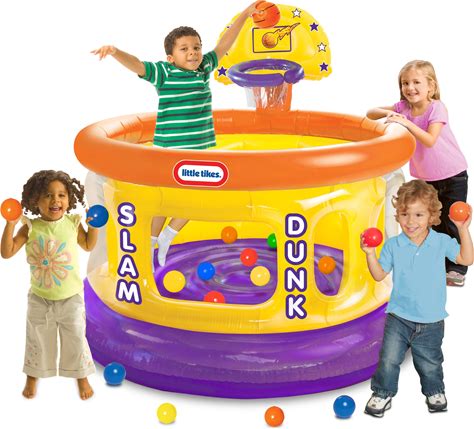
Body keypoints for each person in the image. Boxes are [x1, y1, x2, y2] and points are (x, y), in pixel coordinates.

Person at [91, 2, 258, 267]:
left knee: (202, 196)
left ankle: (167, 235)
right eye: (185, 49)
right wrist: (115, 52)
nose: (193, 52)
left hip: (199, 151)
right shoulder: (165, 73)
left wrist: (246, 15)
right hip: (169, 152)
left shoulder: (204, 68)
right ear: (171, 57)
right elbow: (138, 65)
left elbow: (224, 44)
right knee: (165, 201)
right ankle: (152, 243)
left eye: (196, 47)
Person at [360, 180, 472, 417]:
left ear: (432, 216)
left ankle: (435, 392)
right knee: (388, 359)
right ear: (398, 215)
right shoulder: (393, 245)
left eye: (419, 215)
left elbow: (466, 259)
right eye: (404, 214)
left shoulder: (440, 241)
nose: (410, 221)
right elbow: (379, 275)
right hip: (399, 317)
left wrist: (463, 229)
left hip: (431, 319)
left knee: (430, 362)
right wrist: (370, 254)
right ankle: (382, 393)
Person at [367, 60, 469, 286]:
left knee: (452, 222)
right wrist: (391, 113)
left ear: (431, 86)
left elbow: (430, 140)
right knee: (432, 222)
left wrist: (406, 123)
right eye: (405, 83)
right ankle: (437, 264)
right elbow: (370, 113)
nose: (410, 87)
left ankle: (457, 268)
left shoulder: (436, 107)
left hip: (453, 175)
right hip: (426, 179)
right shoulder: (403, 107)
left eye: (416, 82)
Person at [1, 170, 99, 400]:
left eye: (61, 195)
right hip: (40, 298)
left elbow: (88, 245)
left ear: (69, 199)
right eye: (48, 195)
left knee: (76, 337)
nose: (55, 200)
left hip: (71, 297)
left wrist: (93, 226)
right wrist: (10, 224)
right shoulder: (31, 227)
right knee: (37, 339)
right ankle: (32, 376)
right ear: (35, 200)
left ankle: (81, 377)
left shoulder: (73, 223)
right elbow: (7, 252)